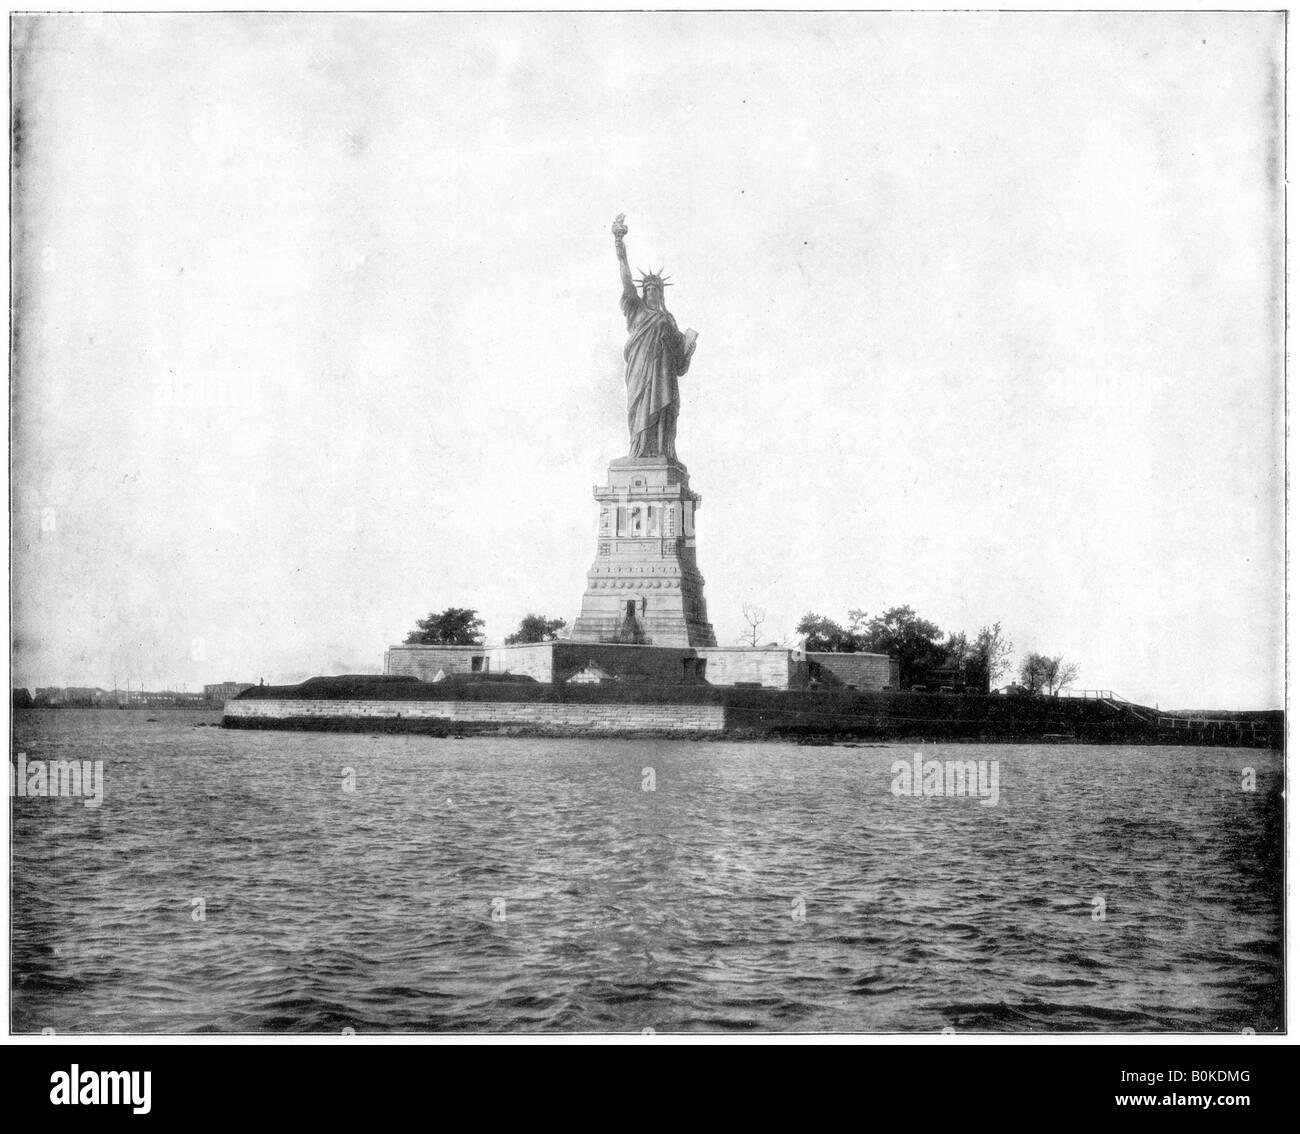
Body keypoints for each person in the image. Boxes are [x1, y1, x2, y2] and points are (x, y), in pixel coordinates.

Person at [612, 214, 698, 460]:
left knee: (663, 411)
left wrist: (688, 346)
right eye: (647, 289)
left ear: (660, 293)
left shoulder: (668, 320)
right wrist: (619, 242)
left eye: (655, 289)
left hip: (663, 377)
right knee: (639, 411)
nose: (650, 292)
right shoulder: (636, 310)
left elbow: (679, 363)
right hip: (641, 372)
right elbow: (626, 278)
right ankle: (638, 452)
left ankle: (660, 451)